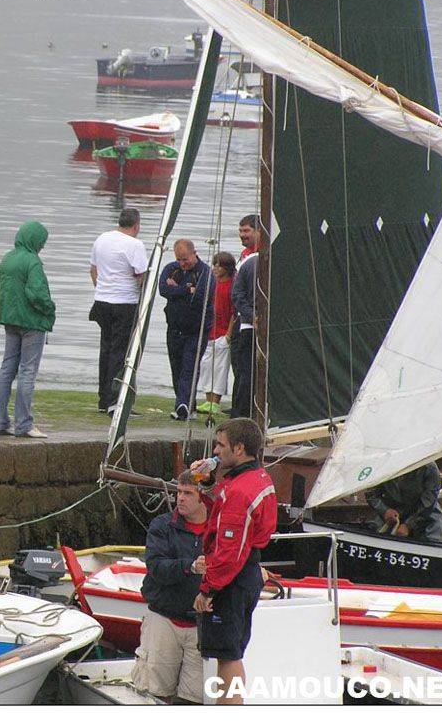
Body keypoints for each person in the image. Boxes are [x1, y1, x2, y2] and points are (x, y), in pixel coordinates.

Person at [189, 418, 277, 705]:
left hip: (234, 579)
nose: (215, 451)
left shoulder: (240, 491)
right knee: (231, 653)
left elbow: (230, 552)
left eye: (220, 445)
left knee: (228, 656)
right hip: (247, 572)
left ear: (239, 449)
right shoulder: (257, 478)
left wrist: (208, 589)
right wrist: (207, 477)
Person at [131, 470, 208, 704]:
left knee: (194, 698)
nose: (180, 499)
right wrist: (191, 566)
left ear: (203, 496)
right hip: (164, 618)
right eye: (178, 493)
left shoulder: (218, 528)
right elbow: (156, 566)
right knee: (155, 692)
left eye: (187, 493)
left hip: (201, 624)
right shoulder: (162, 526)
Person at [0, 221, 55, 439]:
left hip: (10, 322)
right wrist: (50, 309)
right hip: (32, 324)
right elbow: (36, 294)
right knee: (28, 371)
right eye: (42, 242)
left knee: (6, 369)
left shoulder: (8, 258)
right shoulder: (33, 262)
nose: (42, 246)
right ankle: (24, 424)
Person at [89, 208, 149, 415]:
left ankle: (103, 399)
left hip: (102, 301)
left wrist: (101, 288)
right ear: (136, 225)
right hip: (124, 302)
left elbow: (93, 270)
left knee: (105, 349)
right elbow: (141, 275)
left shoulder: (102, 239)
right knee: (120, 352)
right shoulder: (135, 244)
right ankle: (116, 401)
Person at [159, 239, 214, 421]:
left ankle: (182, 405)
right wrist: (185, 290)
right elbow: (163, 289)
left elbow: (199, 297)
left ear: (194, 253)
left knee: (189, 367)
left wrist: (178, 290)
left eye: (185, 259)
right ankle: (186, 403)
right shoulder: (171, 268)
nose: (182, 264)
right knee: (176, 367)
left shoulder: (205, 272)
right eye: (179, 259)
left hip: (196, 330)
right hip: (174, 328)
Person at [196, 252, 236, 417]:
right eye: (214, 265)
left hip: (222, 332)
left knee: (220, 368)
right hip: (209, 331)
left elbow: (234, 312)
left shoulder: (231, 285)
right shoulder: (212, 284)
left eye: (219, 265)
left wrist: (228, 335)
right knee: (206, 366)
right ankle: (207, 398)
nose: (215, 268)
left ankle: (215, 401)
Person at [365, 462, 442, 541]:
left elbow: (428, 502)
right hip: (392, 514)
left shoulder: (429, 468)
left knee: (431, 540)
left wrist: (408, 525)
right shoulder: (383, 463)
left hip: (424, 516)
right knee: (374, 535)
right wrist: (385, 510)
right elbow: (370, 492)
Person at [228, 215, 260, 416]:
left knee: (251, 374)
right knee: (243, 373)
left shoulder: (256, 258)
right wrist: (251, 317)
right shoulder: (246, 259)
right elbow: (237, 295)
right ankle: (240, 414)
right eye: (240, 231)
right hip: (247, 325)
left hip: (255, 325)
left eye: (246, 231)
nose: (242, 235)